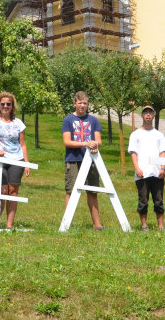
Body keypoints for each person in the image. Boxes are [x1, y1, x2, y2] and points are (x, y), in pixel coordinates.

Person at [0, 91, 30, 229]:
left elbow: (22, 144)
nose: (5, 106)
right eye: (3, 104)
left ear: (12, 106)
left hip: (16, 159)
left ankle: (9, 225)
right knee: (1, 190)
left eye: (8, 104)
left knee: (13, 190)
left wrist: (26, 163)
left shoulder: (18, 123)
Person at [62, 91, 104, 230]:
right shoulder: (68, 120)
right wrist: (85, 144)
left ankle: (97, 224)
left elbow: (99, 141)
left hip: (91, 160)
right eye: (80, 103)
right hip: (73, 159)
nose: (82, 106)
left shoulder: (93, 120)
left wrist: (94, 145)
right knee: (71, 191)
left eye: (85, 103)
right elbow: (67, 142)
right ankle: (66, 224)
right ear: (74, 103)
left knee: (92, 191)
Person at [127, 105, 165, 230]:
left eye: (150, 113)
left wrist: (163, 168)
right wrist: (137, 169)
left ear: (154, 115)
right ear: (142, 116)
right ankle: (144, 225)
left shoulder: (159, 135)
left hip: (156, 173)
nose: (148, 115)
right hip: (142, 173)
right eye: (146, 113)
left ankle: (161, 226)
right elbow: (133, 153)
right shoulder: (135, 134)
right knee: (143, 200)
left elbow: (162, 152)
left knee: (159, 200)